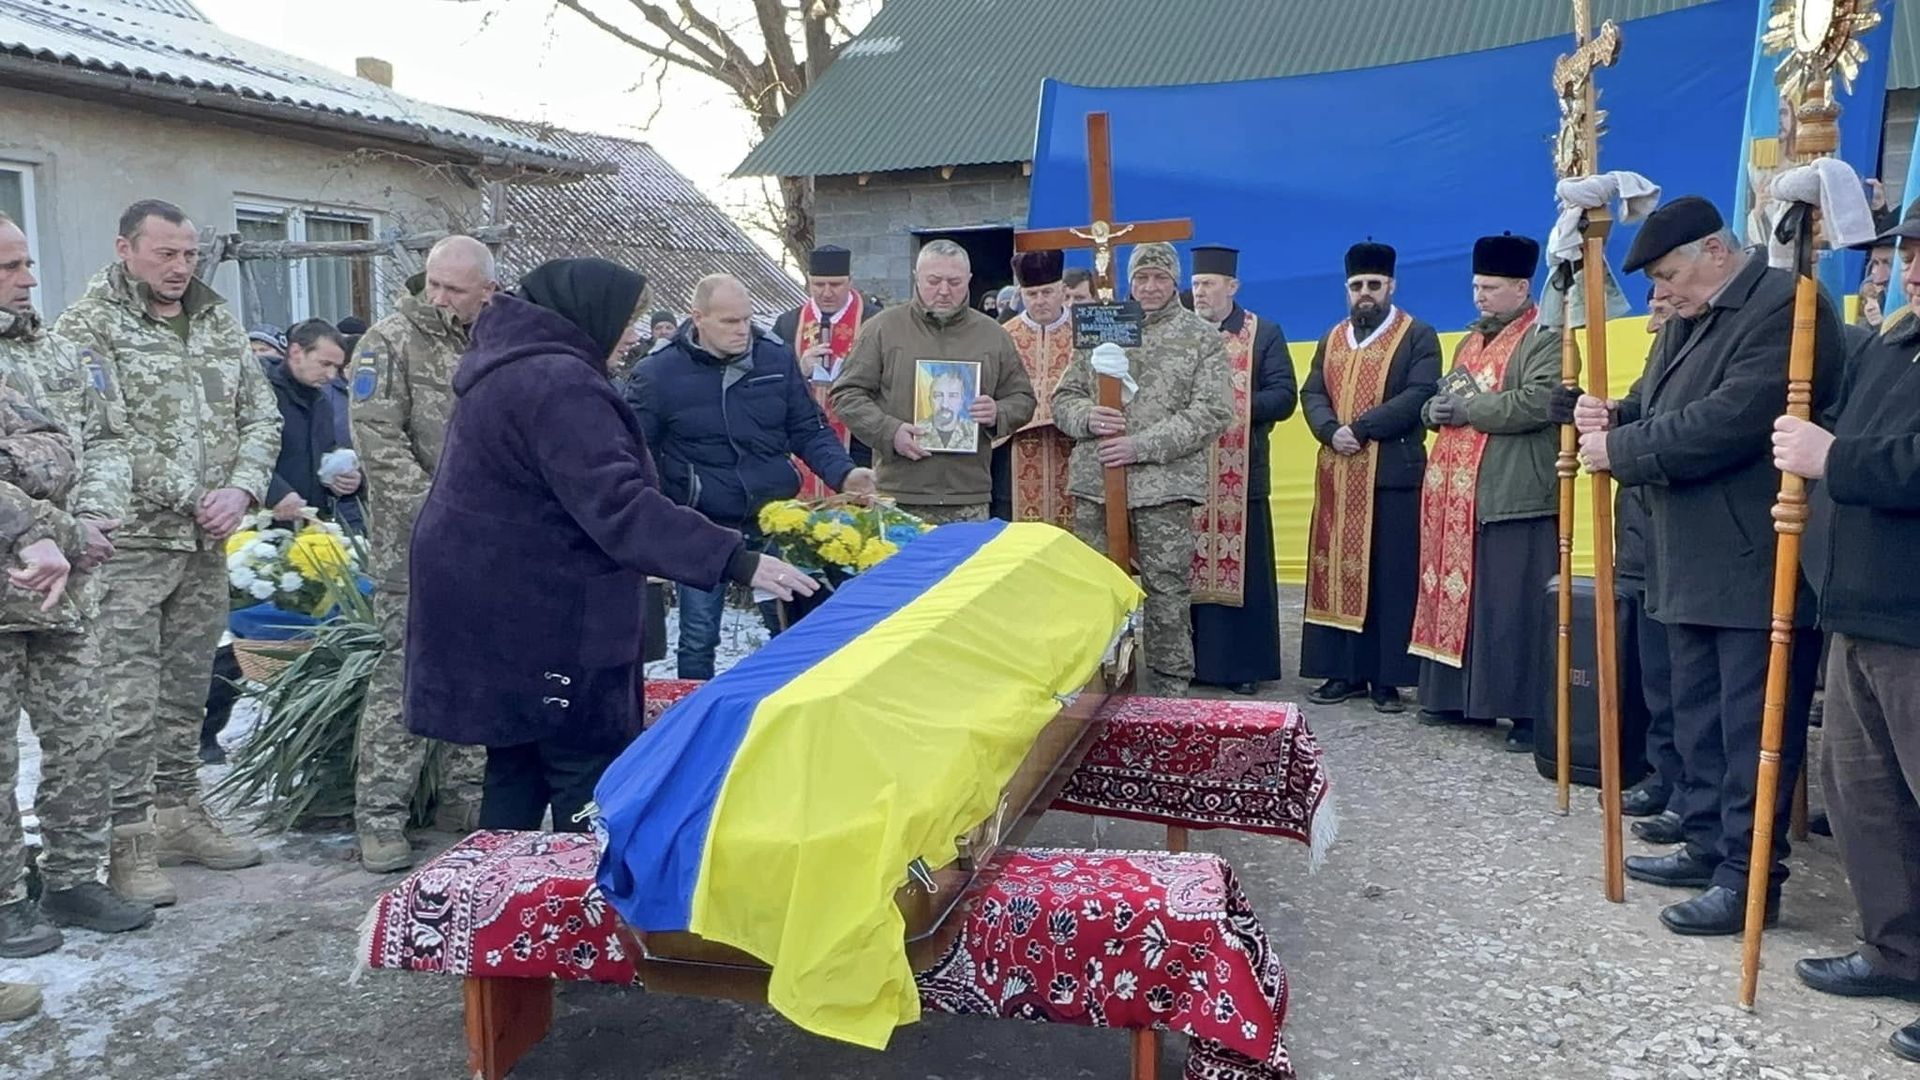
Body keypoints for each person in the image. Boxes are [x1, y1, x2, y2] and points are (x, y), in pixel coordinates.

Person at [404, 258, 816, 832]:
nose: (633, 336)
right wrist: (735, 558)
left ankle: (499, 901)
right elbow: (618, 504)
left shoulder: (517, 366)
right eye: (629, 320)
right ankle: (580, 910)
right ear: (590, 313)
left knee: (517, 764)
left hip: (502, 607)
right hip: (550, 616)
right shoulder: (557, 384)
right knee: (585, 774)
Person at [1574, 195, 1840, 935]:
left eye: (1671, 274)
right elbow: (1654, 404)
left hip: (1755, 556)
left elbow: (1733, 419)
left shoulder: (1789, 308)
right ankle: (1703, 839)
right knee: (1695, 718)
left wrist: (1620, 451)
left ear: (1715, 253)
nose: (1665, 293)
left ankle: (1746, 876)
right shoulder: (1694, 318)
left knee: (1750, 726)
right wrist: (1614, 417)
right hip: (1685, 552)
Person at [54, 199, 281, 906]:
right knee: (127, 697)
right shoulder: (87, 326)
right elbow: (99, 430)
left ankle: (181, 814)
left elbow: (261, 413)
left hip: (204, 542)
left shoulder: (216, 319)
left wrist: (241, 490)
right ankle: (129, 843)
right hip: (130, 544)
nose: (181, 267)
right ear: (126, 250)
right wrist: (195, 494)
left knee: (188, 690)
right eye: (166, 254)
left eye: (188, 254)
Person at [1777, 215, 1920, 1064]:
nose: (1906, 263)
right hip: (1858, 609)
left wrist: (1836, 460)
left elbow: (1869, 455)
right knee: (1866, 797)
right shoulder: (1891, 343)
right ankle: (1897, 949)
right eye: (1904, 249)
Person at [0, 211, 153, 951]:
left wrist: (92, 520)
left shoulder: (56, 355)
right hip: (11, 580)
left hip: (67, 591)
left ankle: (73, 877)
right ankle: (4, 897)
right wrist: (57, 530)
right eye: (9, 268)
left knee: (78, 738)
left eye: (26, 263)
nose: (29, 278)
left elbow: (109, 438)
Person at [626, 272, 875, 679]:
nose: (742, 330)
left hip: (775, 514)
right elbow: (637, 454)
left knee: (797, 624)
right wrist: (658, 522)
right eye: (729, 322)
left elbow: (808, 429)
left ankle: (793, 705)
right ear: (698, 318)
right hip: (704, 520)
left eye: (746, 319)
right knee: (698, 636)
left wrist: (845, 475)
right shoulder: (658, 374)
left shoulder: (774, 357)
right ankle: (697, 716)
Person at [346, 236, 494, 872]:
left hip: (489, 541)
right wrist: (440, 515)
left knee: (481, 667)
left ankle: (465, 798)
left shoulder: (494, 339)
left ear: (486, 290)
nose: (439, 298)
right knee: (405, 671)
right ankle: (379, 814)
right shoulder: (388, 341)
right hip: (416, 541)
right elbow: (378, 441)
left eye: (455, 289)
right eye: (433, 284)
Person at [1052, 241, 1232, 698]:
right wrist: (1087, 417)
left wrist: (1142, 446)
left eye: (1160, 278)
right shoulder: (1099, 327)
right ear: (1129, 283)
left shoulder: (1200, 337)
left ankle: (1170, 690)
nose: (1150, 287)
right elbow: (1063, 398)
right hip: (1097, 484)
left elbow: (1212, 411)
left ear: (1175, 282)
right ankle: (1094, 685)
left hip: (1163, 487)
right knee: (1095, 586)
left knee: (1167, 590)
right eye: (1142, 278)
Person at [1410, 233, 1559, 751]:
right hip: (1460, 495)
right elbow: (1443, 397)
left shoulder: (1549, 335)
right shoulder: (1469, 339)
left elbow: (1539, 401)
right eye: (1476, 286)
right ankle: (1460, 699)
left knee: (1512, 609)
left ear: (1522, 286)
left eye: (1490, 288)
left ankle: (1524, 714)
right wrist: (1433, 412)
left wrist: (1470, 411)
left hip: (1515, 494)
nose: (1479, 296)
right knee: (1468, 601)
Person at [1299, 240, 1443, 714]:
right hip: (1338, 476)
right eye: (1357, 286)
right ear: (1347, 289)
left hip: (1390, 476)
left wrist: (1359, 430)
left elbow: (1419, 394)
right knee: (1336, 571)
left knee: (1389, 577)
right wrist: (1327, 430)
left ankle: (1386, 679)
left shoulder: (1417, 335)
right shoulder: (1333, 337)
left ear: (1391, 286)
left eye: (1374, 286)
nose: (1365, 293)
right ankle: (1342, 671)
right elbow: (1313, 390)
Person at [830, 240, 1035, 524]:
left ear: (969, 280)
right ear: (917, 277)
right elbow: (845, 394)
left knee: (967, 570)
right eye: (933, 281)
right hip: (899, 495)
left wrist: (998, 413)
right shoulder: (882, 329)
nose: (943, 290)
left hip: (969, 497)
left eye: (954, 282)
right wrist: (890, 432)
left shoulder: (993, 335)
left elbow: (1023, 398)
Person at [1186, 244, 1297, 695]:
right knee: (1186, 571)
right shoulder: (1182, 334)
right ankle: (1191, 662)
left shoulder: (1262, 333)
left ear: (1232, 287)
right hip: (1189, 475)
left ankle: (1244, 667)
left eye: (1209, 285)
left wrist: (1228, 409)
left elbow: (1284, 394)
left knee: (1246, 573)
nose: (1200, 294)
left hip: (1242, 474)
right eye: (1195, 285)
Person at [773, 245, 877, 498]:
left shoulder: (874, 321)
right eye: (818, 285)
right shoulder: (788, 323)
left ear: (850, 281)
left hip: (859, 445)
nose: (827, 293)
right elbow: (770, 383)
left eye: (836, 284)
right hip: (802, 445)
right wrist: (798, 369)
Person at [1002, 250, 1076, 529]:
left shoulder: (1085, 330)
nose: (1040, 301)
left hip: (1074, 449)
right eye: (1032, 294)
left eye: (1047, 292)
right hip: (1017, 451)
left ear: (1062, 291)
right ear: (1021, 294)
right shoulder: (1005, 335)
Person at [262, 319, 361, 523]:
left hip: (311, 523)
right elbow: (234, 455)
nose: (332, 375)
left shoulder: (321, 402)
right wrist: (276, 493)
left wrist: (346, 480)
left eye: (337, 367)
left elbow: (325, 455)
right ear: (296, 353)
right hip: (259, 526)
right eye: (325, 364)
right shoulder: (261, 394)